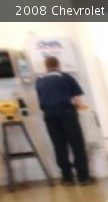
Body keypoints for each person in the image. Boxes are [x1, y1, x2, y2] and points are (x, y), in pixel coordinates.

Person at [35, 56, 94, 186]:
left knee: (59, 146)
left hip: (49, 115)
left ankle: (67, 178)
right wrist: (80, 107)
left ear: (46, 66)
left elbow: (40, 97)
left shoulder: (39, 80)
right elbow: (77, 98)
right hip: (66, 113)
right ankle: (83, 177)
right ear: (58, 65)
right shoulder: (66, 77)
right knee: (77, 144)